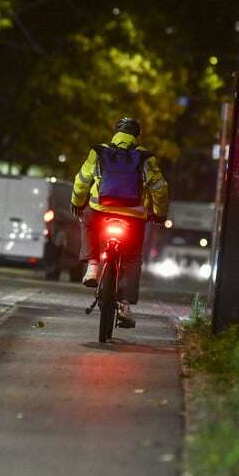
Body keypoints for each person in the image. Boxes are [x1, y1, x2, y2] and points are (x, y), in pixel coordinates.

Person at [70, 116, 169, 328]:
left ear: (115, 132)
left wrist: (77, 202)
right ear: (136, 136)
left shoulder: (99, 152)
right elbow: (160, 189)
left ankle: (93, 266)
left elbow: (82, 181)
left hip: (100, 212)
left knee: (85, 216)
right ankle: (125, 306)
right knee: (132, 258)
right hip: (133, 218)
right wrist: (159, 214)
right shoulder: (145, 158)